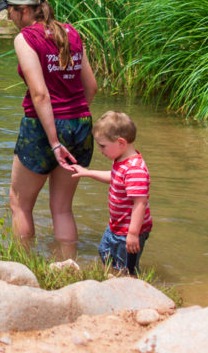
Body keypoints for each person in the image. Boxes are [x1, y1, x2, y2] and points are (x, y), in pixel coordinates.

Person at [0, 0, 97, 260]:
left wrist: (53, 141)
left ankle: (23, 267)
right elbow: (92, 88)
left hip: (43, 131)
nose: (9, 17)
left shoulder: (26, 38)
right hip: (80, 124)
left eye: (10, 11)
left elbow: (39, 94)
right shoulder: (72, 33)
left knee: (19, 204)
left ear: (24, 10)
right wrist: (73, 118)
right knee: (62, 208)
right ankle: (69, 265)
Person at [65, 111, 153, 275]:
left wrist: (133, 234)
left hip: (128, 230)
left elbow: (140, 203)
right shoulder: (121, 160)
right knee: (105, 253)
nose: (100, 150)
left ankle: (130, 288)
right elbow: (114, 177)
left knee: (126, 268)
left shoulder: (135, 170)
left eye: (102, 145)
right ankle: (111, 278)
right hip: (116, 225)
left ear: (121, 142)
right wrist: (87, 172)